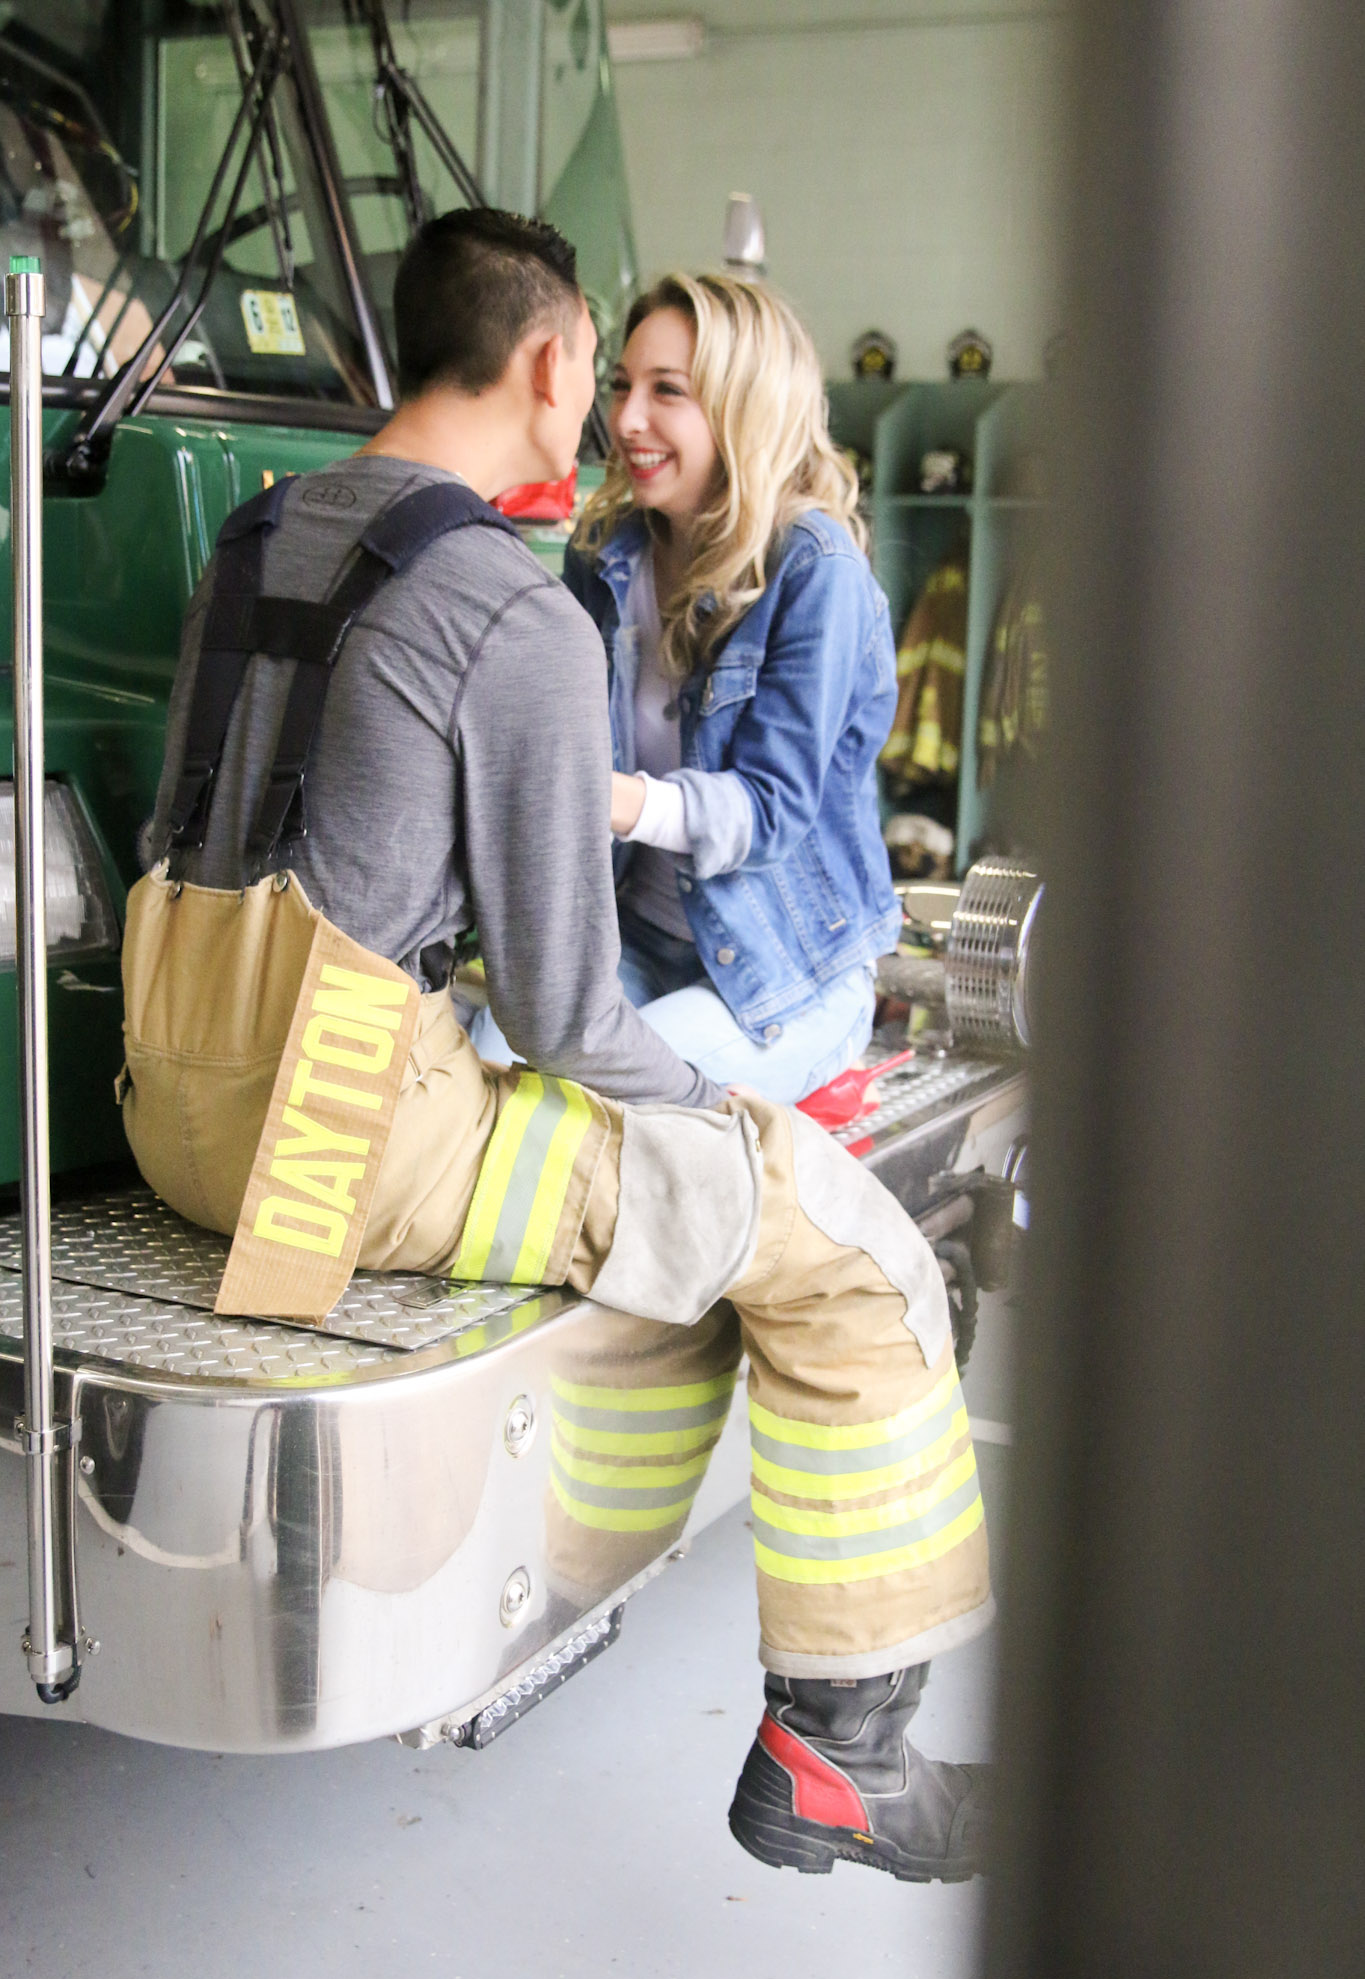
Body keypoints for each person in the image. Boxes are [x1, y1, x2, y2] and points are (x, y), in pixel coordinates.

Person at [120, 207, 993, 1883]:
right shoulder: (510, 610)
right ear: (542, 362)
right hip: (334, 1149)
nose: (608, 413)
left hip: (170, 1099)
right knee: (852, 1258)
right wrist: (748, 1146)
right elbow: (576, 1016)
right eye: (603, 369)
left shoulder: (252, 536)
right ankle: (843, 1752)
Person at [475, 272, 901, 1105]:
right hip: (631, 940)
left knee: (582, 1106)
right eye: (621, 386)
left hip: (782, 972)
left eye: (667, 392)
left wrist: (606, 797)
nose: (626, 419)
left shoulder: (815, 571)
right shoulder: (604, 553)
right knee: (482, 1080)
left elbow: (769, 811)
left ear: (743, 407)